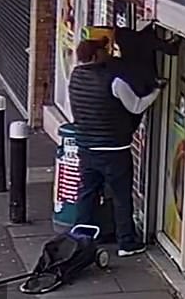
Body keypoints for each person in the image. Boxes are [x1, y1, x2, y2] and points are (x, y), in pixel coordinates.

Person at [68, 38, 166, 257]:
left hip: (86, 147)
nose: (108, 53)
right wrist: (157, 91)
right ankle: (126, 243)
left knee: (87, 192)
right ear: (95, 56)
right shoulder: (114, 81)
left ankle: (79, 238)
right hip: (114, 150)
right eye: (104, 50)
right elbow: (136, 106)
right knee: (122, 197)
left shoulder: (75, 76)